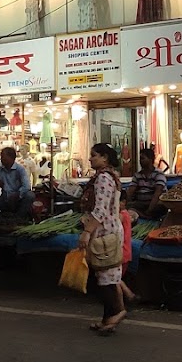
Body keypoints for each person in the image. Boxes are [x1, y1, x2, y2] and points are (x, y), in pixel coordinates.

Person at [78, 143, 126, 334]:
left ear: (105, 158)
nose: (90, 158)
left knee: (106, 278)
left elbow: (100, 210)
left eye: (94, 155)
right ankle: (107, 319)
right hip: (108, 230)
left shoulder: (104, 178)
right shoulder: (109, 176)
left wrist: (87, 232)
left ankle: (117, 312)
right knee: (106, 276)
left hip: (106, 232)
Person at [0, 146, 32, 224]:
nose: (1, 159)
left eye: (3, 157)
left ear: (11, 158)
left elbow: (27, 186)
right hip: (4, 199)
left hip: (17, 201)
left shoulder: (20, 169)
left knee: (30, 195)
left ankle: (19, 218)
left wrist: (17, 194)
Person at [125, 146, 167, 218]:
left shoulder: (159, 174)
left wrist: (150, 209)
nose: (140, 161)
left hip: (155, 204)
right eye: (140, 159)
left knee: (160, 206)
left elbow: (157, 193)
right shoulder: (137, 175)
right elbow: (130, 191)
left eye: (143, 158)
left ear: (150, 160)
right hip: (141, 204)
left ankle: (145, 215)